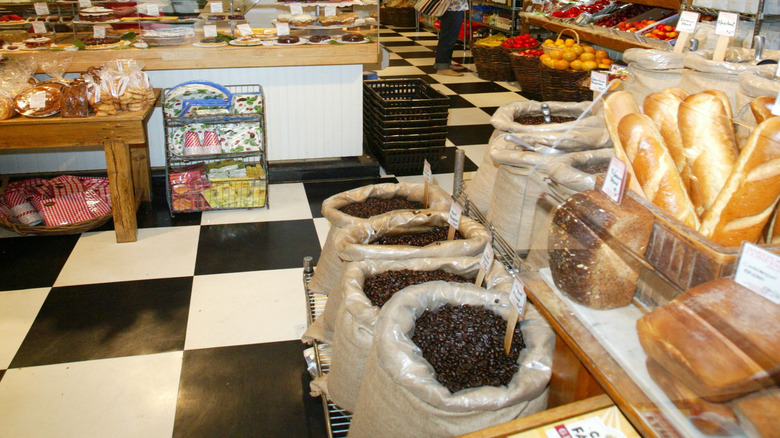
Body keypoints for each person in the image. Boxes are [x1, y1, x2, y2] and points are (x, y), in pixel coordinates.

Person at [434, 0, 468, 76]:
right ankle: (442, 67)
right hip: (451, 7)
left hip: (455, 6)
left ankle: (446, 64)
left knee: (451, 36)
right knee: (448, 37)